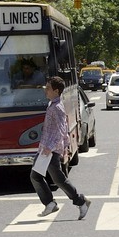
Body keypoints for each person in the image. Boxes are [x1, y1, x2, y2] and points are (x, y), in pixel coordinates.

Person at [30, 77, 89, 221]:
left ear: (56, 91)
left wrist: (50, 148)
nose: (46, 90)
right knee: (39, 176)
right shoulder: (52, 105)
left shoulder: (57, 108)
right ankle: (52, 203)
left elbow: (62, 130)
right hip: (45, 149)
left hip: (50, 150)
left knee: (57, 179)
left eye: (48, 88)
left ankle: (80, 201)